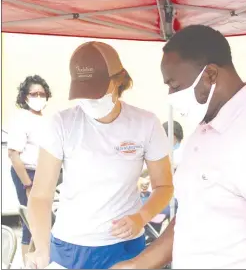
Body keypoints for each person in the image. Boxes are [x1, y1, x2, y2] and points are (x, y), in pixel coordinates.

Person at [111, 25, 246, 269]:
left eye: (176, 86)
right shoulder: (203, 132)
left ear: (210, 75)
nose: (170, 94)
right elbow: (192, 218)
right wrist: (136, 265)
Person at [26, 41, 174, 269]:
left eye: (96, 90)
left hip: (123, 246)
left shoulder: (145, 124)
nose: (90, 99)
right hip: (69, 246)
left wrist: (141, 217)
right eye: (83, 92)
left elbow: (164, 186)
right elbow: (40, 196)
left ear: (118, 80)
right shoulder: (61, 123)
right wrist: (42, 246)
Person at [7, 75, 52, 265]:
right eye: (34, 94)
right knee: (30, 221)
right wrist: (27, 183)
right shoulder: (22, 119)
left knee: (42, 221)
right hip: (28, 174)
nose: (39, 97)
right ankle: (26, 264)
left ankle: (39, 260)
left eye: (42, 94)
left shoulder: (46, 120)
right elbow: (13, 154)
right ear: (25, 97)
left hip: (44, 174)